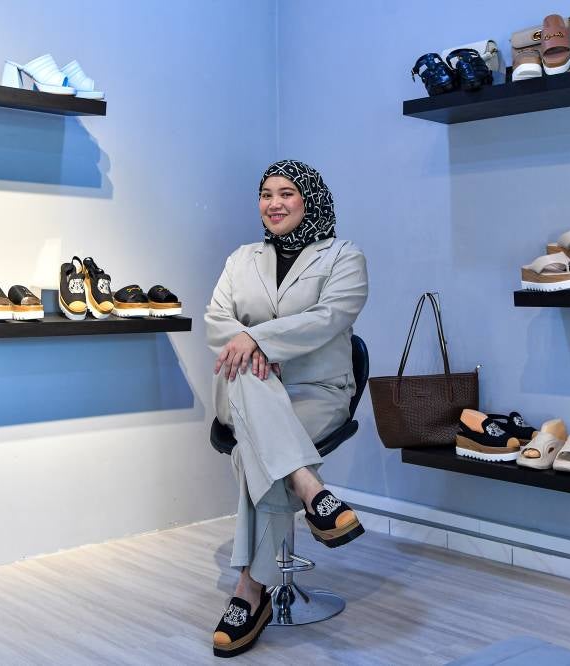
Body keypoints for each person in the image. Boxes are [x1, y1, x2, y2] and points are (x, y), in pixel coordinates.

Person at [204, 160, 368, 658]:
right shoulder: (241, 257)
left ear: (309, 198)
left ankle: (248, 591)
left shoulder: (344, 255)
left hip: (316, 392)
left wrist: (256, 340)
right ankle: (311, 487)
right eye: (265, 194)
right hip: (243, 388)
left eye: (287, 193)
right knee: (254, 384)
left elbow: (330, 318)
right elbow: (216, 319)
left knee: (256, 454)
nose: (274, 203)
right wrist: (253, 352)